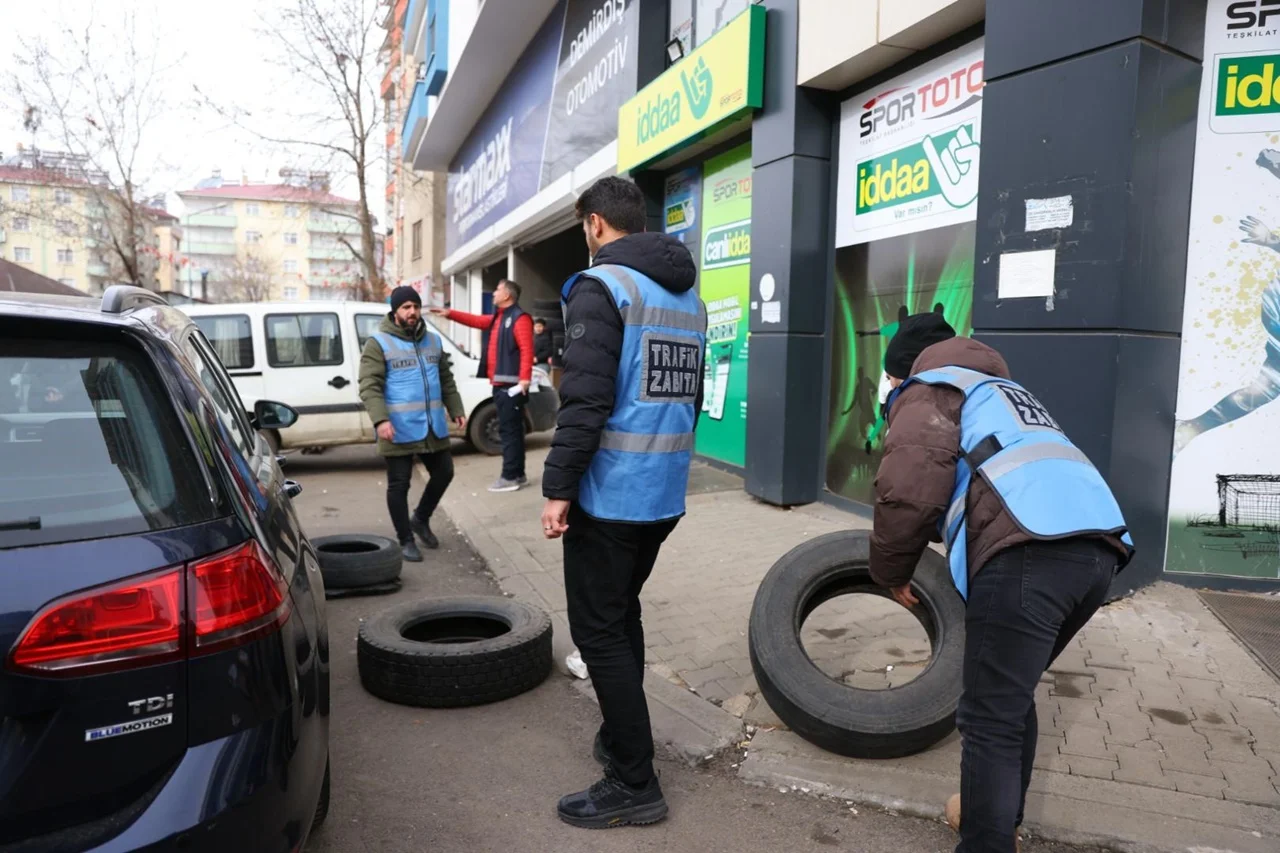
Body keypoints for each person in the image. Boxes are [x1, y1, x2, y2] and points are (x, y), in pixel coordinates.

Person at [869, 313, 1133, 853]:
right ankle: (996, 820)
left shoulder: (931, 387)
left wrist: (891, 572)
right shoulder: (1005, 391)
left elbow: (909, 489)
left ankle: (987, 839)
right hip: (1098, 550)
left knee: (988, 717)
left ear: (901, 372)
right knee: (1008, 698)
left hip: (1029, 550)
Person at [540, 175, 706, 829]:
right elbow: (691, 396)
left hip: (610, 494)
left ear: (595, 224)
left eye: (585, 226)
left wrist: (557, 487)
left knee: (599, 628)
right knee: (619, 615)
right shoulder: (686, 295)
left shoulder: (602, 287)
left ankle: (635, 779)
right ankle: (619, 741)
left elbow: (585, 401)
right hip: (662, 492)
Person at [359, 286, 466, 563]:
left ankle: (420, 519)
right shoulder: (378, 343)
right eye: (406, 307)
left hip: (432, 426)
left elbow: (446, 379)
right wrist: (380, 420)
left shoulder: (433, 341)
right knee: (399, 485)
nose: (412, 312)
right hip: (397, 427)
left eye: (415, 307)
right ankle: (405, 539)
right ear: (395, 311)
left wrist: (456, 409)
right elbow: (369, 386)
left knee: (445, 472)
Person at [431, 280, 534, 492]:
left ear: (507, 295)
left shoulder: (519, 318)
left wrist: (524, 379)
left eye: (497, 290)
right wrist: (450, 313)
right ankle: (518, 475)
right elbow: (476, 321)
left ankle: (510, 476)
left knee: (510, 433)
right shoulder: (500, 317)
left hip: (512, 386)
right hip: (502, 385)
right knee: (510, 432)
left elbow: (526, 349)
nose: (494, 293)